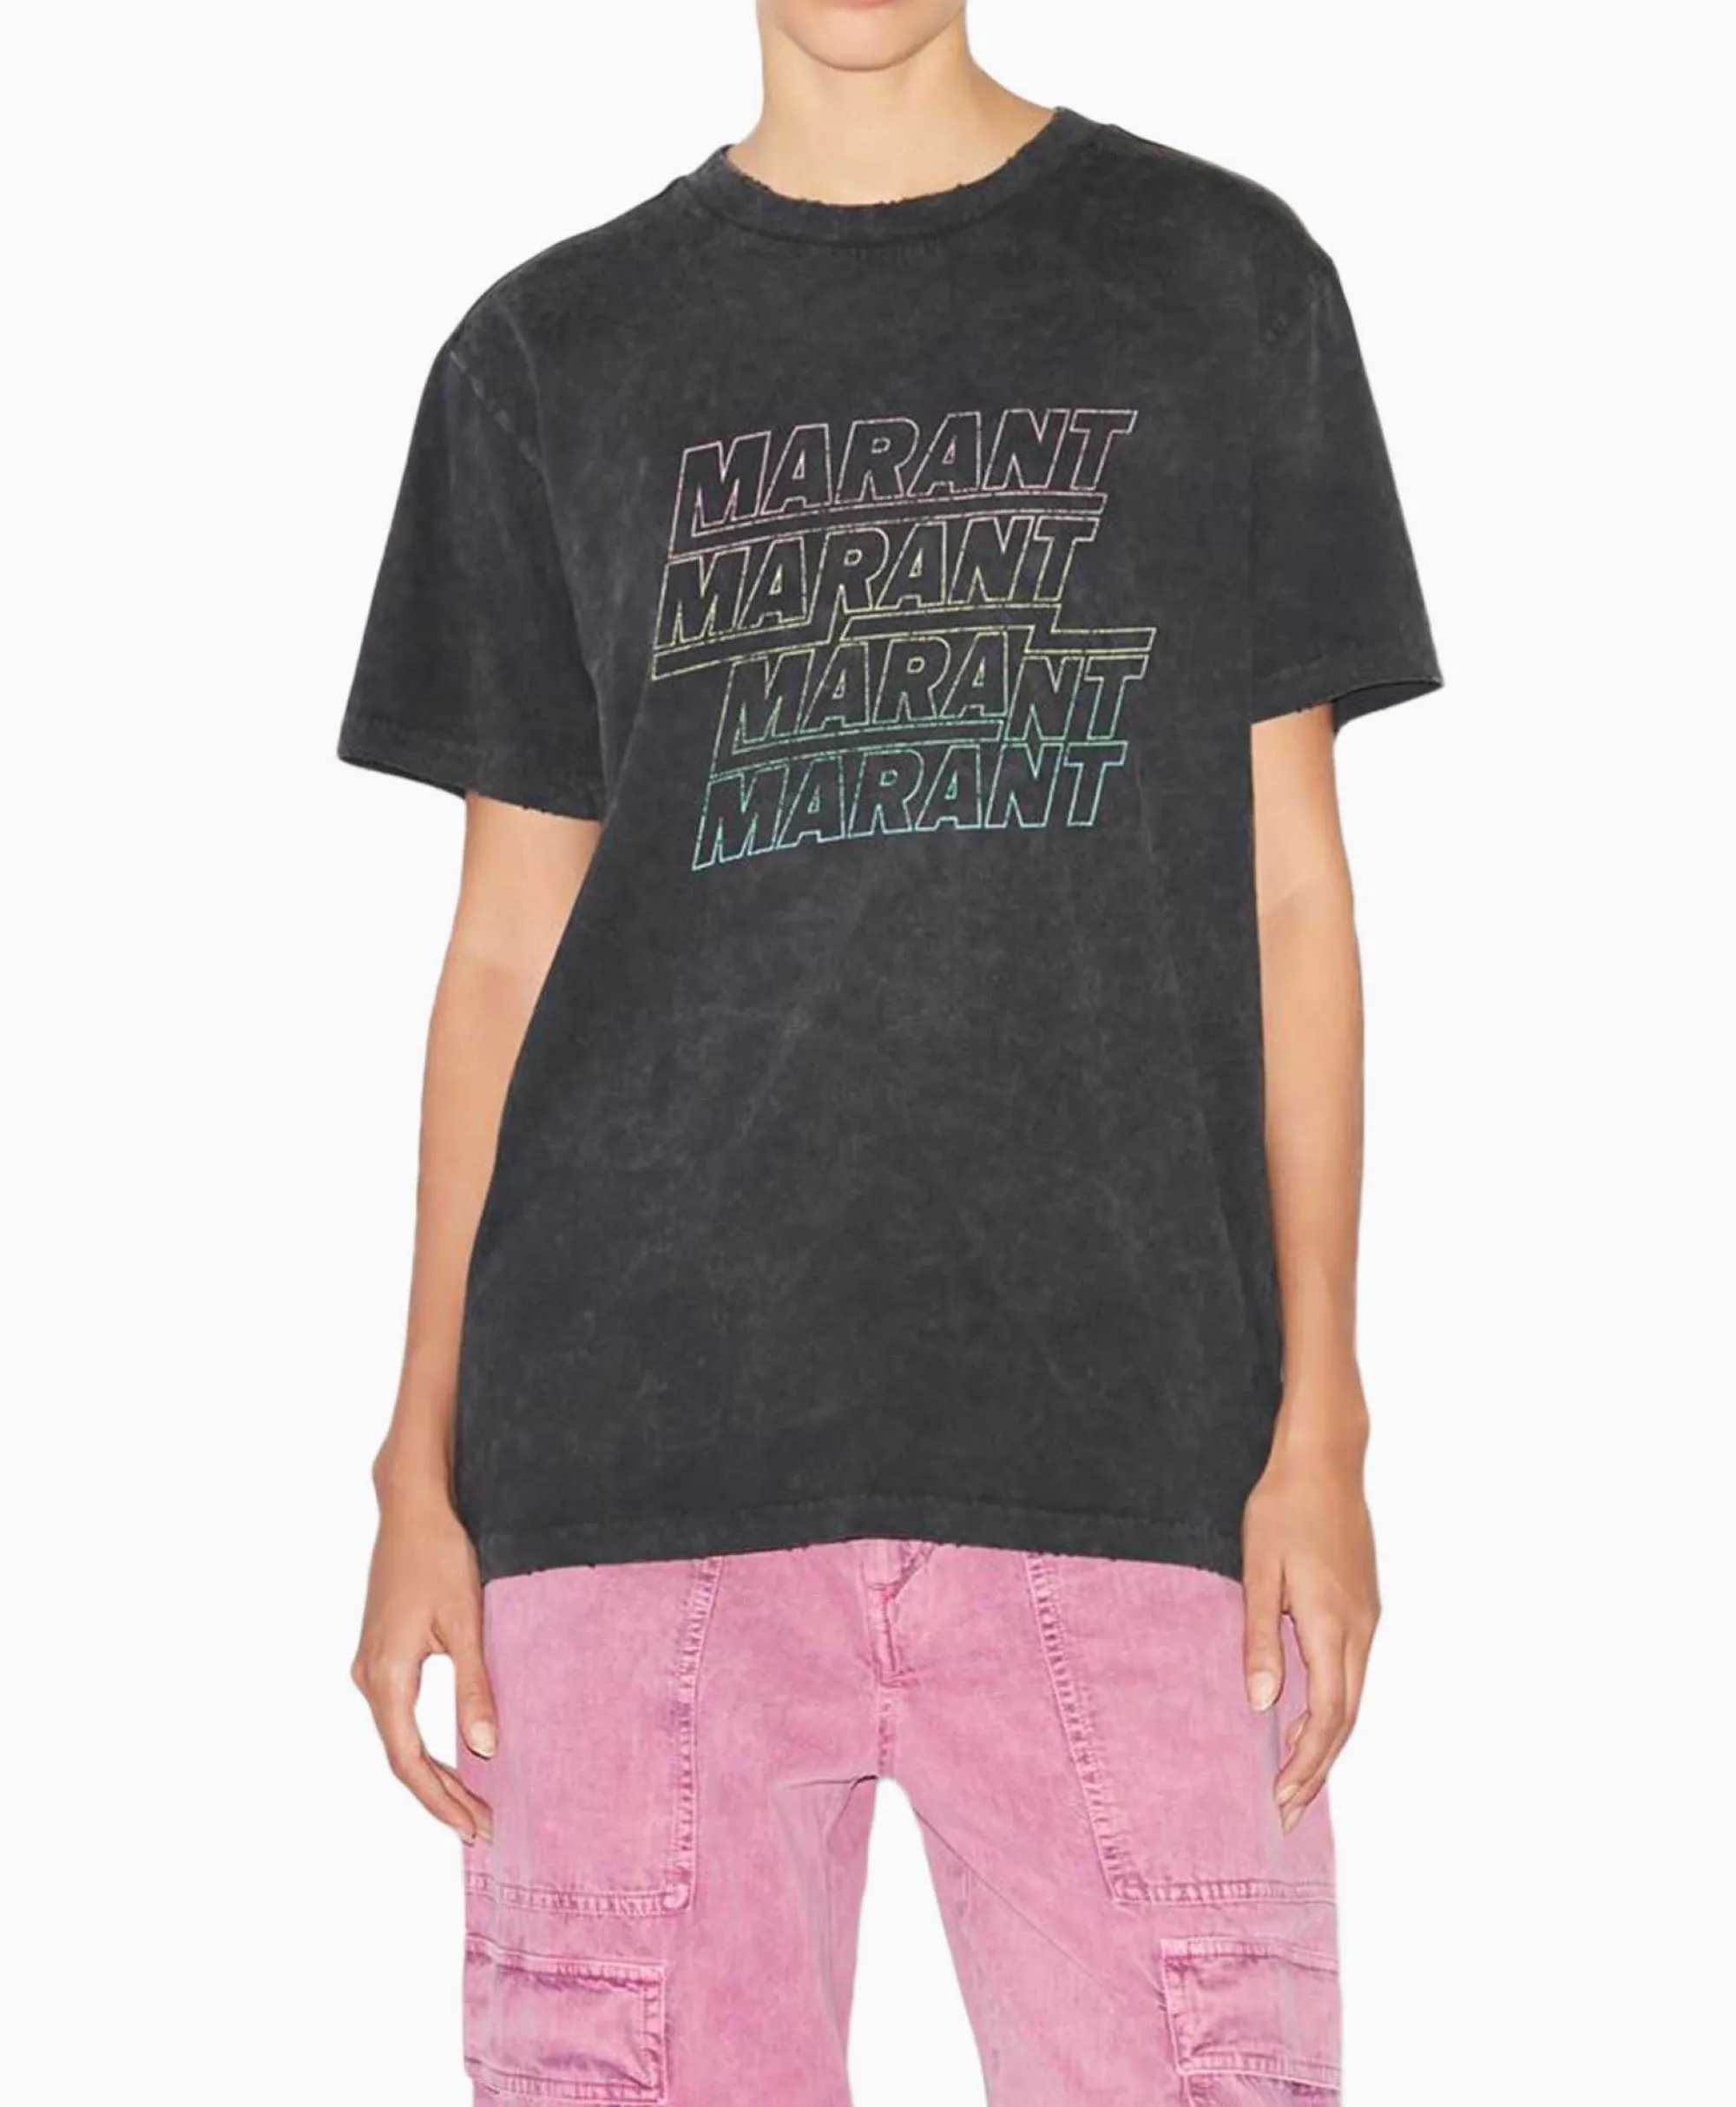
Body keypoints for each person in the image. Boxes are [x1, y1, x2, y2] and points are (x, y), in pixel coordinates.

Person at [340, 3, 1441, 2098]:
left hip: (1129, 1453)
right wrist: (419, 1460)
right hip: (632, 1474)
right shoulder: (544, 358)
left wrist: (1325, 1417)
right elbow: (500, 953)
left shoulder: (1221, 286)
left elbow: (1293, 890)